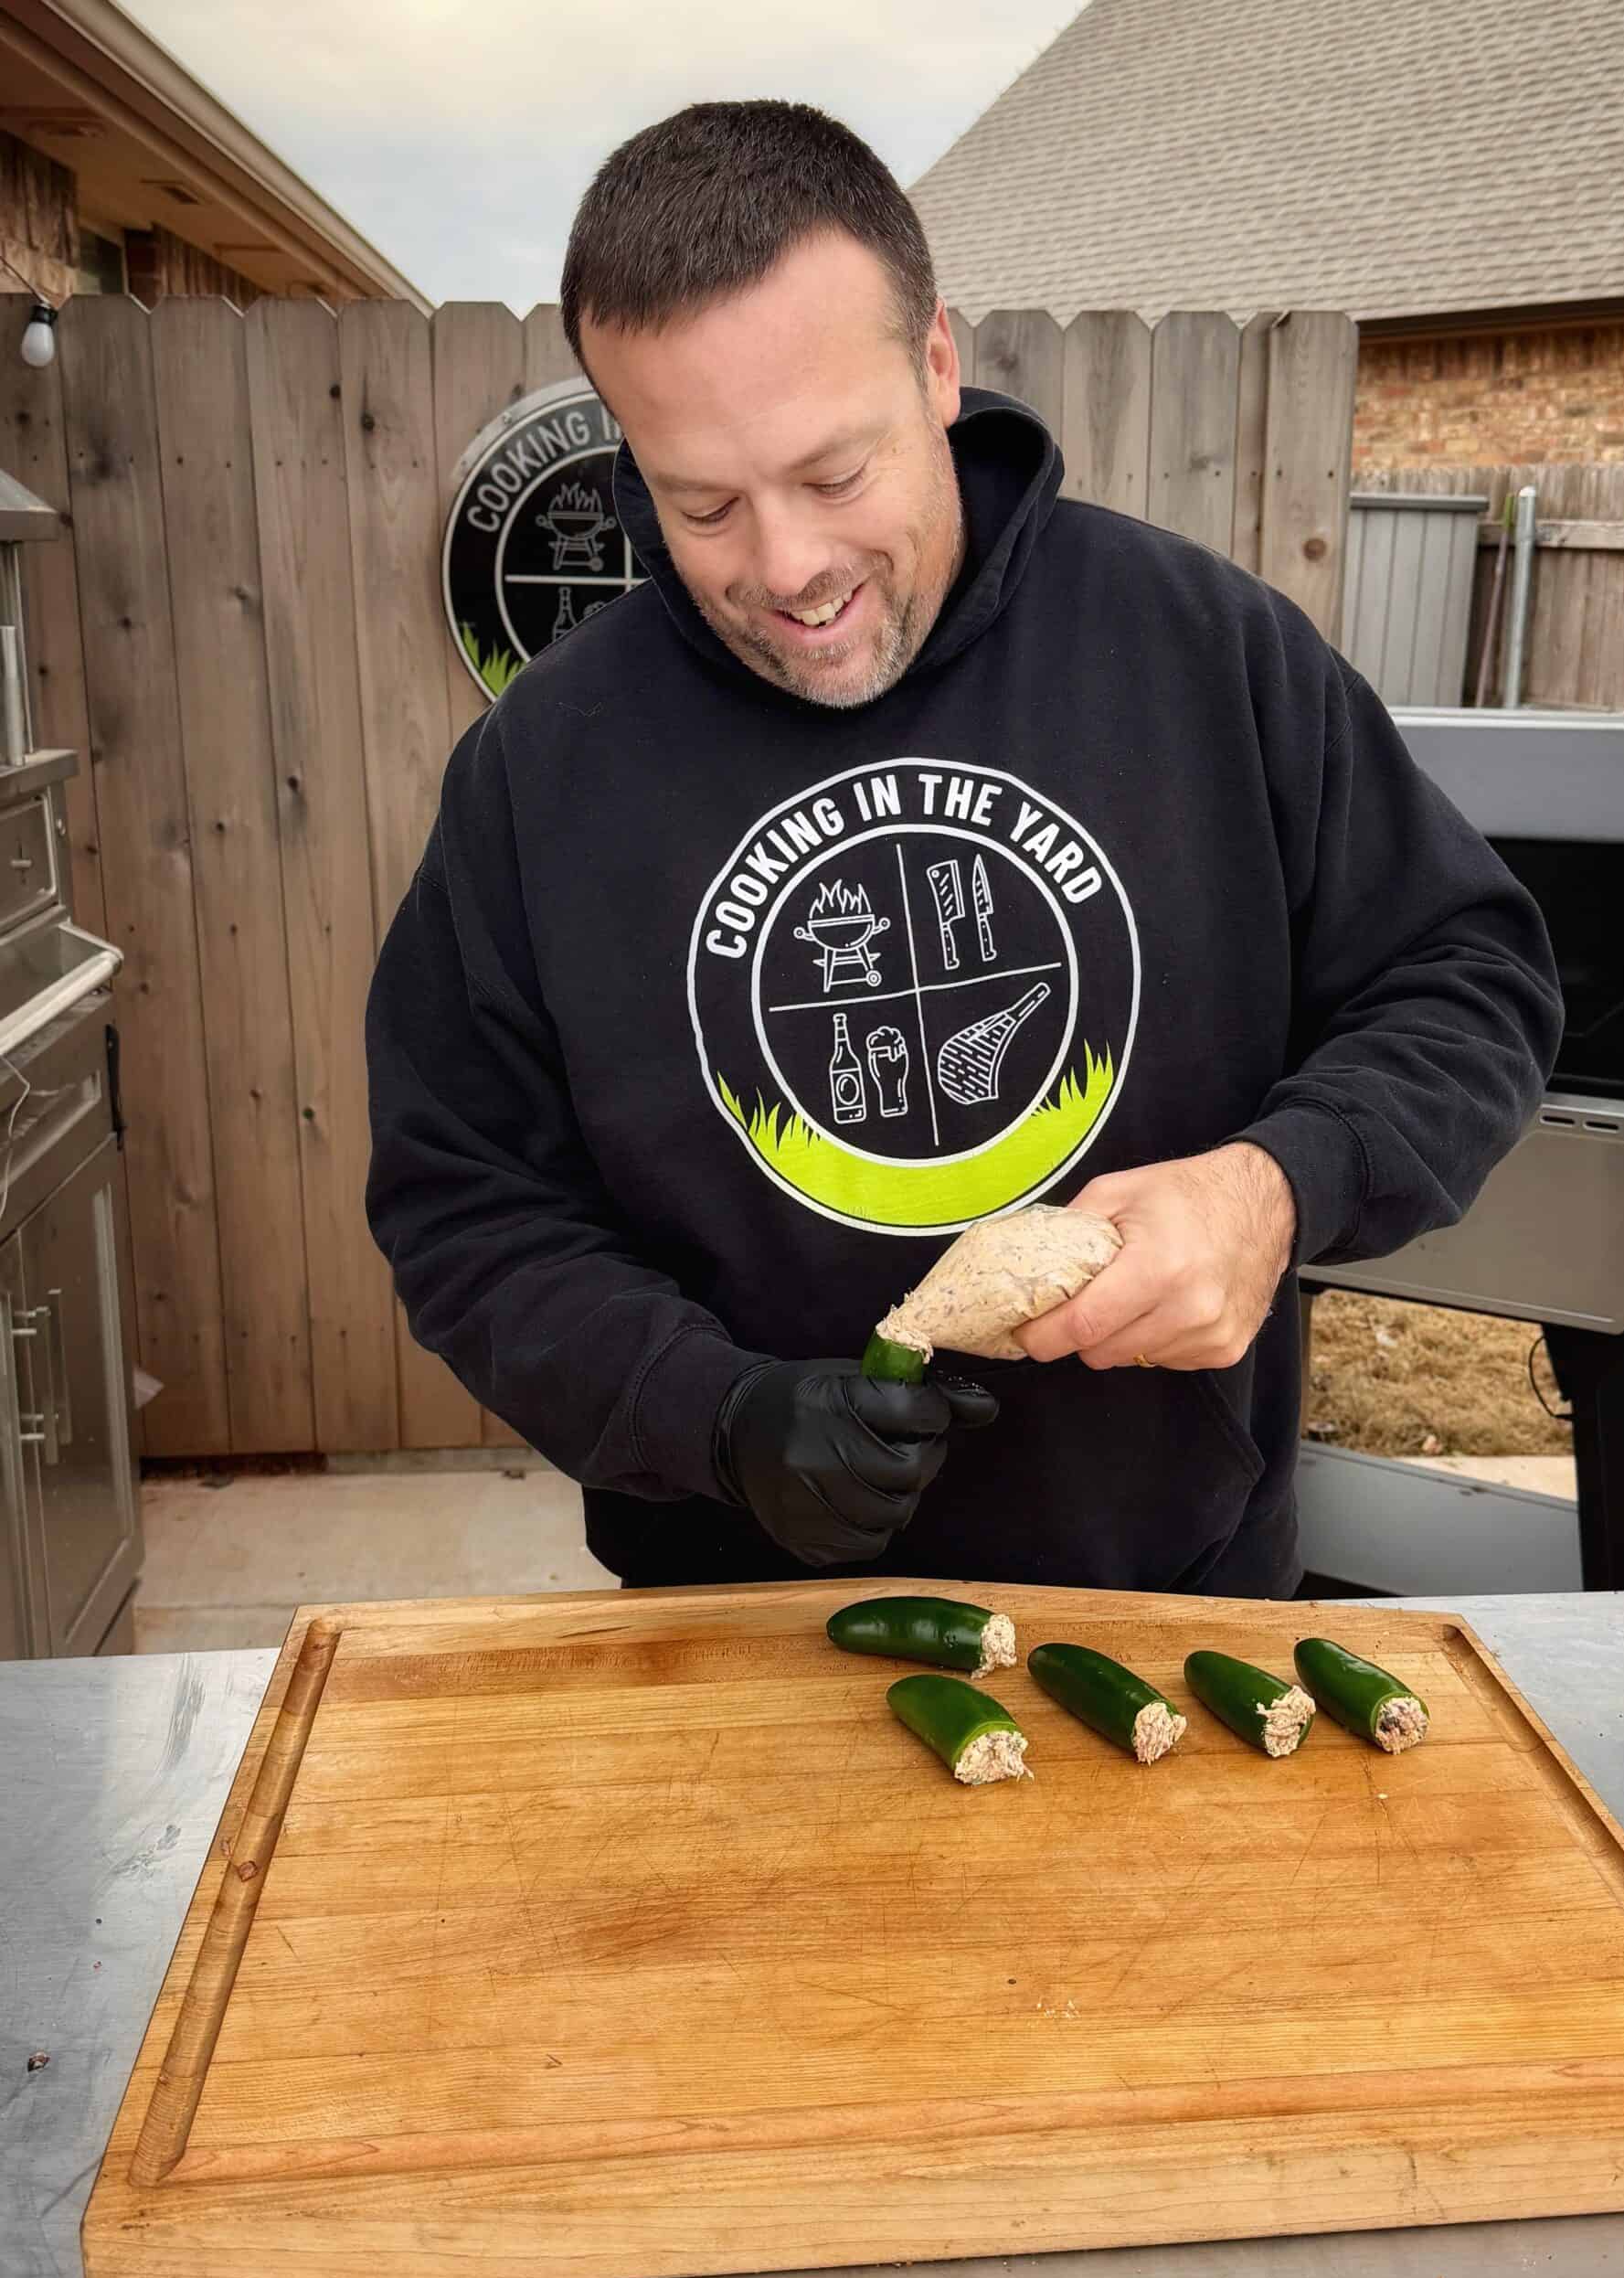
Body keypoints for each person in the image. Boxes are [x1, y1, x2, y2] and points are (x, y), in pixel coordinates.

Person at [365, 100, 1564, 1602]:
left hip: (1174, 1590)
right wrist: (716, 1418)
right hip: (731, 1628)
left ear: (938, 363)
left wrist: (1275, 1188)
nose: (787, 567)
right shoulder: (541, 772)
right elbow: (464, 1204)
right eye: (705, 504)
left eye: (834, 475)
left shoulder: (1202, 651)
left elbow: (1471, 978)